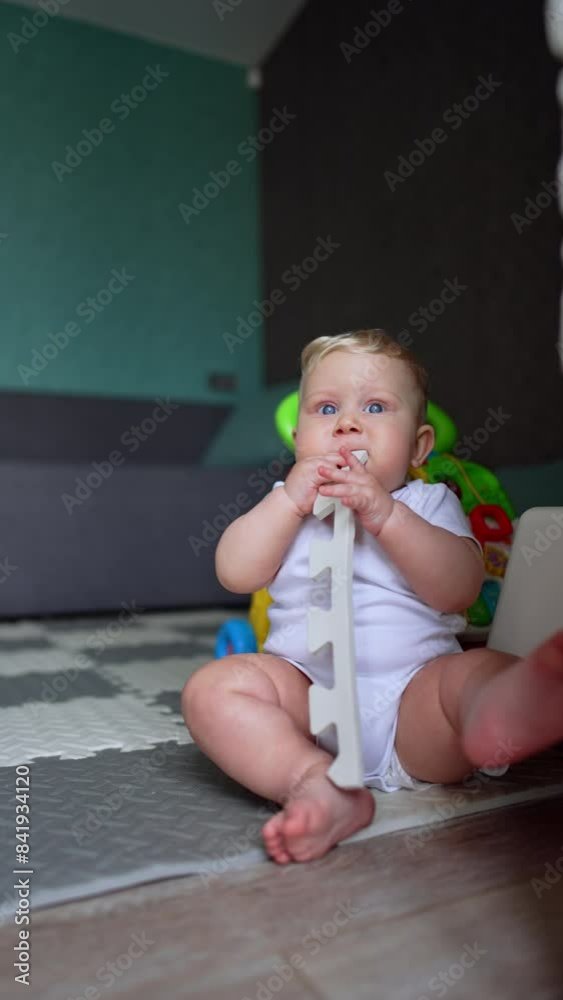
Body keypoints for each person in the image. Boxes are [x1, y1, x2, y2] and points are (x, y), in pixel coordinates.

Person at [182, 329, 563, 864]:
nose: (347, 423)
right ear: (298, 438)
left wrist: (386, 515)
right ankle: (313, 783)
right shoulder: (284, 504)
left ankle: (503, 713)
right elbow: (234, 573)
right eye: (327, 408)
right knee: (211, 689)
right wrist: (287, 504)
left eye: (376, 407)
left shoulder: (427, 501)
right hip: (306, 705)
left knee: (479, 671)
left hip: (414, 707)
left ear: (418, 446)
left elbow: (459, 589)